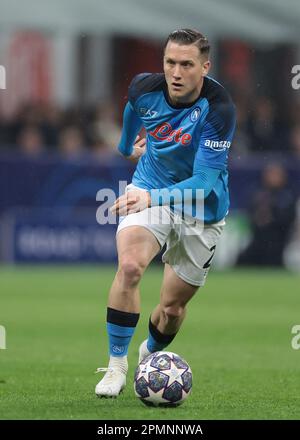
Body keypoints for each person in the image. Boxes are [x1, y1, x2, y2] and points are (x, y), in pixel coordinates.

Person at [95, 29, 236, 397]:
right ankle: (116, 367)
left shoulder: (218, 108)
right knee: (130, 267)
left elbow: (203, 183)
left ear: (204, 67)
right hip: (149, 190)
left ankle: (150, 352)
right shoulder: (146, 89)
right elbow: (131, 111)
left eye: (186, 64)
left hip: (200, 210)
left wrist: (153, 198)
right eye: (170, 62)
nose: (176, 72)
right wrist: (127, 147)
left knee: (172, 310)